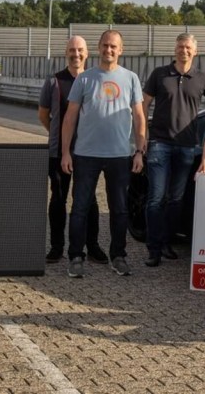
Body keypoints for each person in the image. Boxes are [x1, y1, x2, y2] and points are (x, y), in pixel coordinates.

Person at [61, 30, 147, 279]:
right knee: (79, 208)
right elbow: (70, 118)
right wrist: (66, 152)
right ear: (98, 48)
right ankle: (75, 256)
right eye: (105, 45)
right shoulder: (85, 79)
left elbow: (140, 118)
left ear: (121, 50)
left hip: (120, 156)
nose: (109, 50)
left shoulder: (131, 79)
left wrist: (139, 151)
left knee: (119, 209)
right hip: (85, 155)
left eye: (114, 46)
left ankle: (118, 256)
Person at [142, 34, 205, 267]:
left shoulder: (201, 78)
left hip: (187, 146)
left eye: (188, 47)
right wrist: (143, 137)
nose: (183, 51)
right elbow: (143, 103)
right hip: (159, 144)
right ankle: (154, 248)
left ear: (195, 51)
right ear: (174, 49)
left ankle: (167, 242)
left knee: (176, 199)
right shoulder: (159, 74)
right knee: (156, 198)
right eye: (180, 47)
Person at [37, 36, 108, 264]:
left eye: (80, 50)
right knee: (58, 199)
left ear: (87, 53)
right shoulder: (54, 82)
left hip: (88, 153)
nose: (75, 54)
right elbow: (43, 114)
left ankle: (93, 245)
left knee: (89, 201)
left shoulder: (95, 80)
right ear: (65, 52)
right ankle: (57, 247)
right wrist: (59, 136)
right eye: (71, 50)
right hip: (58, 153)